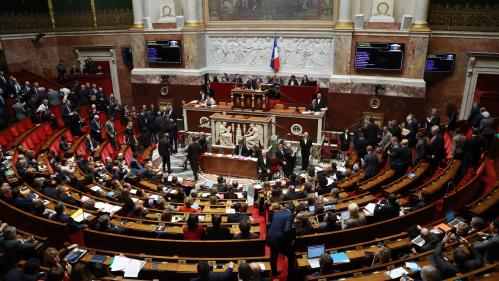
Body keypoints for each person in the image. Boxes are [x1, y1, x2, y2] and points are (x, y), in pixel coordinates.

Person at [266, 203, 295, 276]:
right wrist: (292, 239)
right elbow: (287, 230)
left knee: (273, 255)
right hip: (280, 239)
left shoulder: (276, 212)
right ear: (293, 210)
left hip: (271, 236)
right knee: (291, 256)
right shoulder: (290, 215)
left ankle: (274, 272)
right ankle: (290, 275)